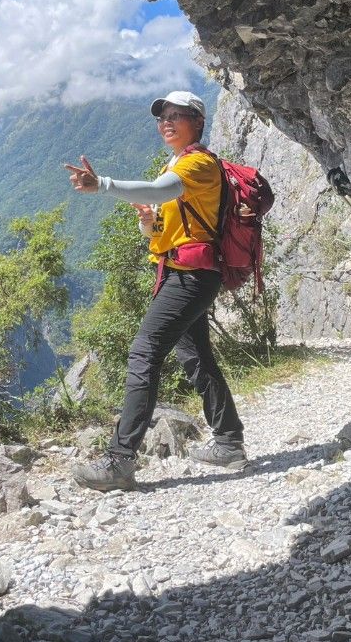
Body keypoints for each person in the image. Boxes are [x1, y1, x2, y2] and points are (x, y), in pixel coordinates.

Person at [64, 90, 246, 491]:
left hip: (190, 278)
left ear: (197, 122)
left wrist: (104, 185)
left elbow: (159, 190)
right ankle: (229, 441)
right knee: (196, 356)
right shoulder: (179, 163)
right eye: (162, 116)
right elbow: (167, 226)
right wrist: (150, 225)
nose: (166, 122)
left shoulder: (197, 163)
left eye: (177, 115)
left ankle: (119, 461)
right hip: (182, 273)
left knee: (144, 353)